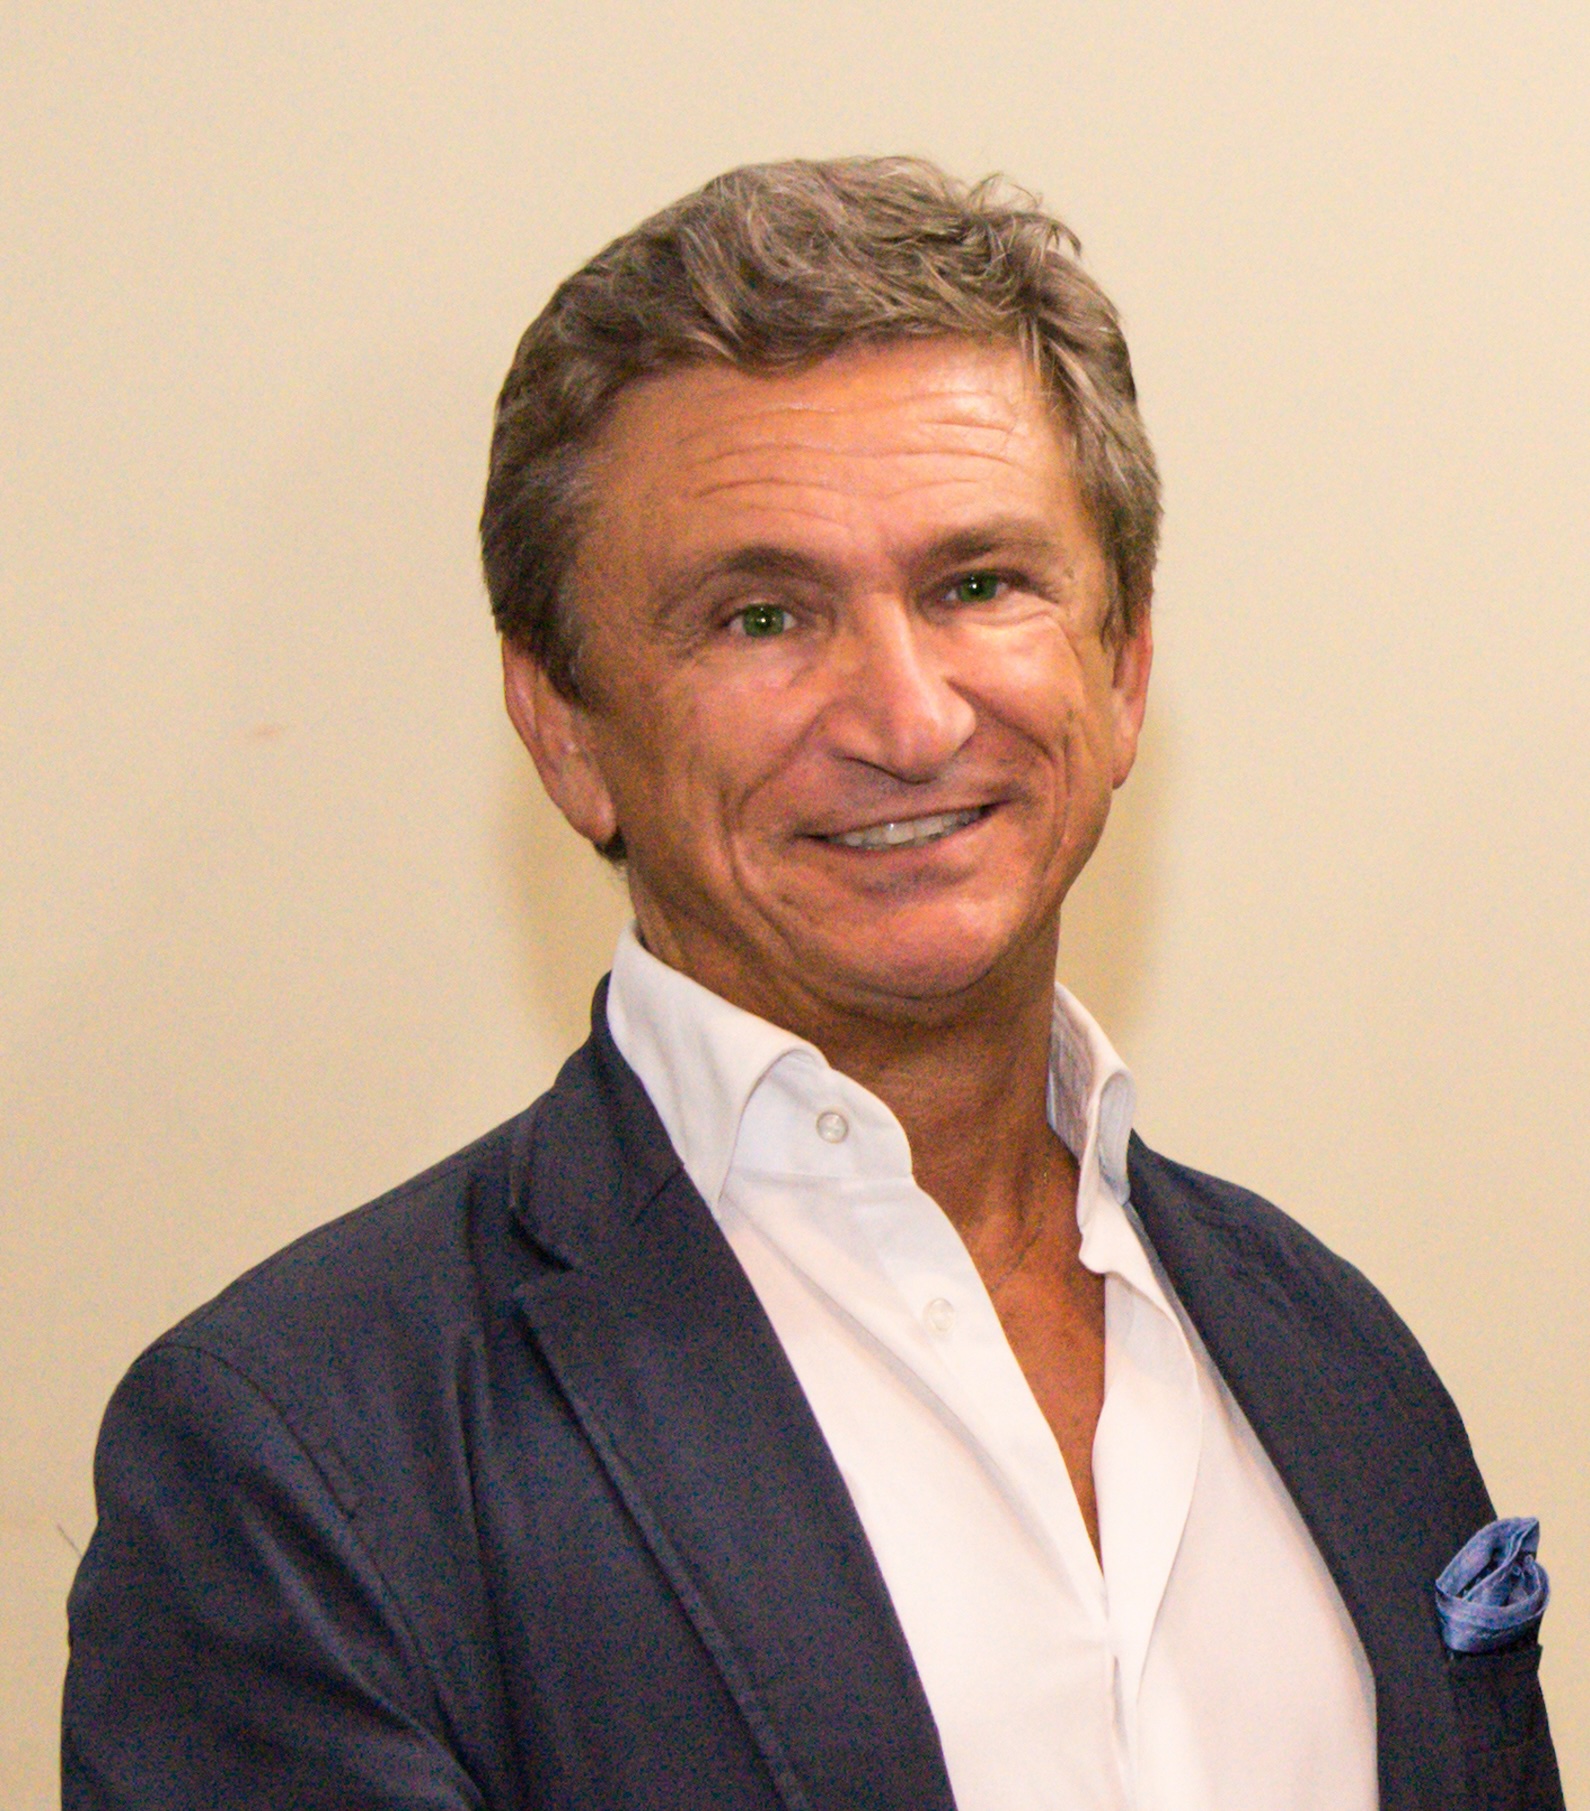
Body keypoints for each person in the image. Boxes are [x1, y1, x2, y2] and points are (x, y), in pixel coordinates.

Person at [62, 158, 1561, 1811]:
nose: (907, 721)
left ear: (1124, 663)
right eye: (762, 616)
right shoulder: (304, 1459)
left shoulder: (1333, 1355)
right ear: (564, 729)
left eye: (978, 585)